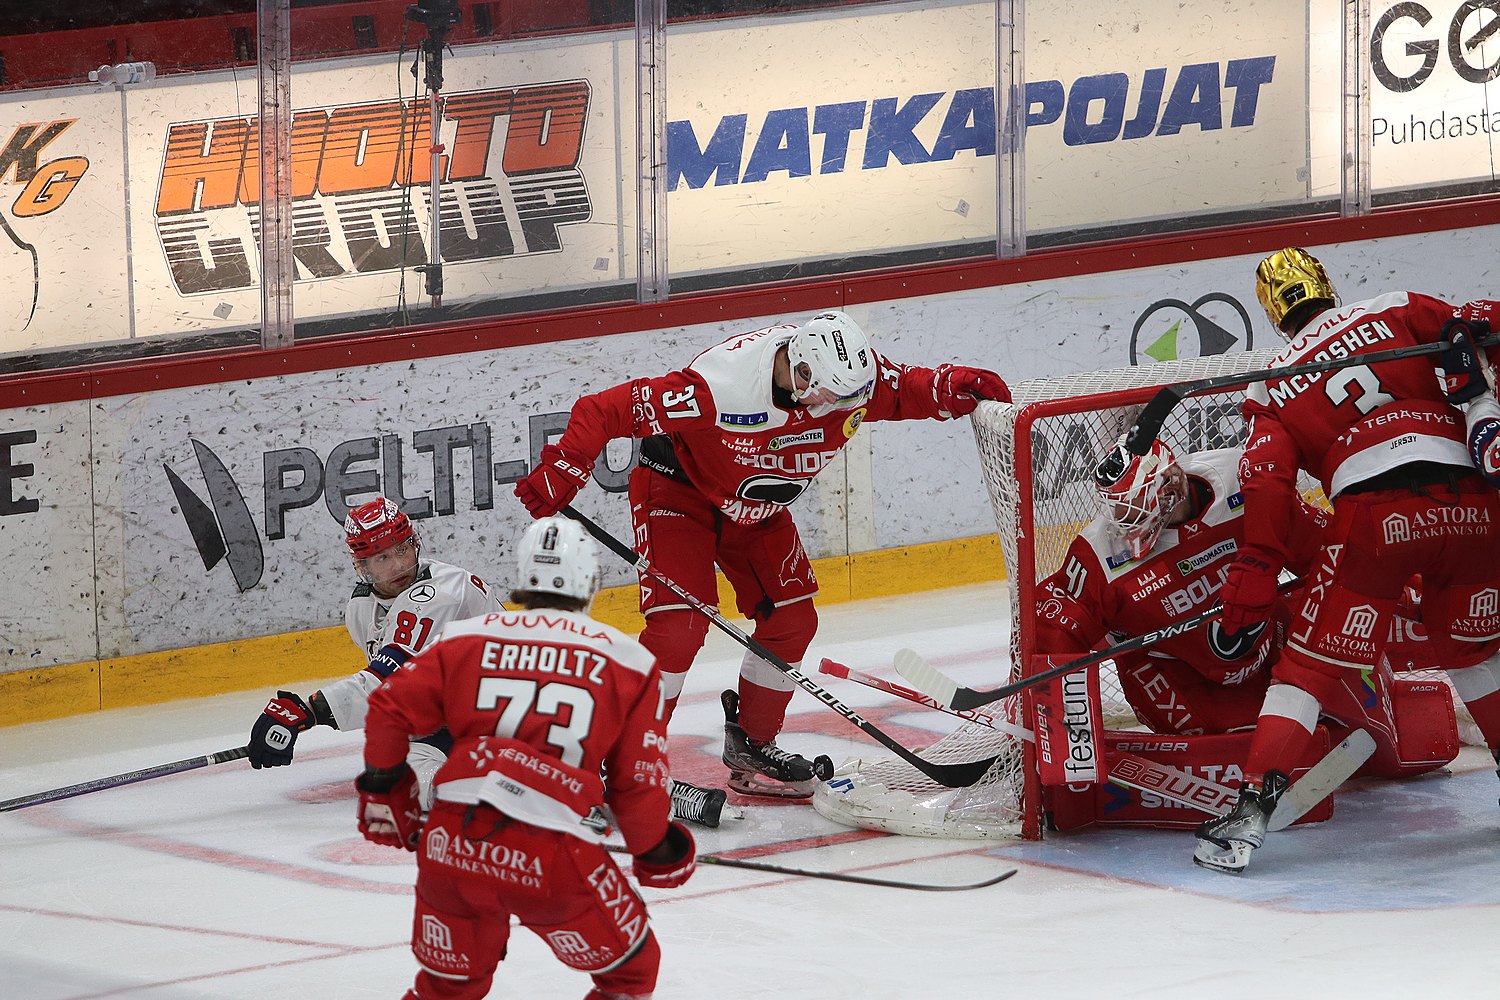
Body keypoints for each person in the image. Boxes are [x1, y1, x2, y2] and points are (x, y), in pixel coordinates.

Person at [513, 309, 1010, 797]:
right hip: (676, 491)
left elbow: (903, 390)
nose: (844, 408)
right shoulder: (718, 389)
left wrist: (949, 385)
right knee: (679, 628)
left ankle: (753, 742)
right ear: (801, 373)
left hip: (755, 509)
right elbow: (606, 409)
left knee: (793, 619)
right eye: (832, 398)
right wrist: (567, 464)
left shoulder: (847, 375)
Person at [1196, 246, 1500, 873]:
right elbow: (1472, 341)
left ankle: (1249, 813)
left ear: (1274, 312)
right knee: (1475, 654)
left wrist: (1255, 571)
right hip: (1472, 505)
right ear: (1325, 282)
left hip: (1373, 518)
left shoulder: (1269, 382)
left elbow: (1268, 485)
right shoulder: (1401, 306)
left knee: (1305, 670)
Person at [355, 516, 695, 1000]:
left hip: (451, 842)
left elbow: (387, 708)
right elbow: (636, 787)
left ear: (524, 579)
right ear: (591, 581)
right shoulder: (630, 662)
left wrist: (386, 789)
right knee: (630, 973)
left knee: (446, 989)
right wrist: (658, 854)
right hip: (551, 851)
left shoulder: (465, 637)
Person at [1040, 437, 1458, 778]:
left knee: (1347, 634)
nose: (1125, 523)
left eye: (1133, 509)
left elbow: (1323, 552)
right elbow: (1052, 627)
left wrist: (1407, 591)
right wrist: (1058, 738)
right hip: (1177, 675)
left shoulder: (1241, 485)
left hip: (1266, 639)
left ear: (1170, 486)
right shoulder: (1100, 555)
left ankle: (1395, 684)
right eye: (1118, 510)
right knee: (1254, 748)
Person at [245, 496, 503, 806]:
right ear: (362, 566)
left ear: (415, 544)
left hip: (516, 705)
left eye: (402, 550)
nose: (399, 565)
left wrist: (309, 710)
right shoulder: (361, 608)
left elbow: (388, 683)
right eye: (382, 558)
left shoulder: (438, 595)